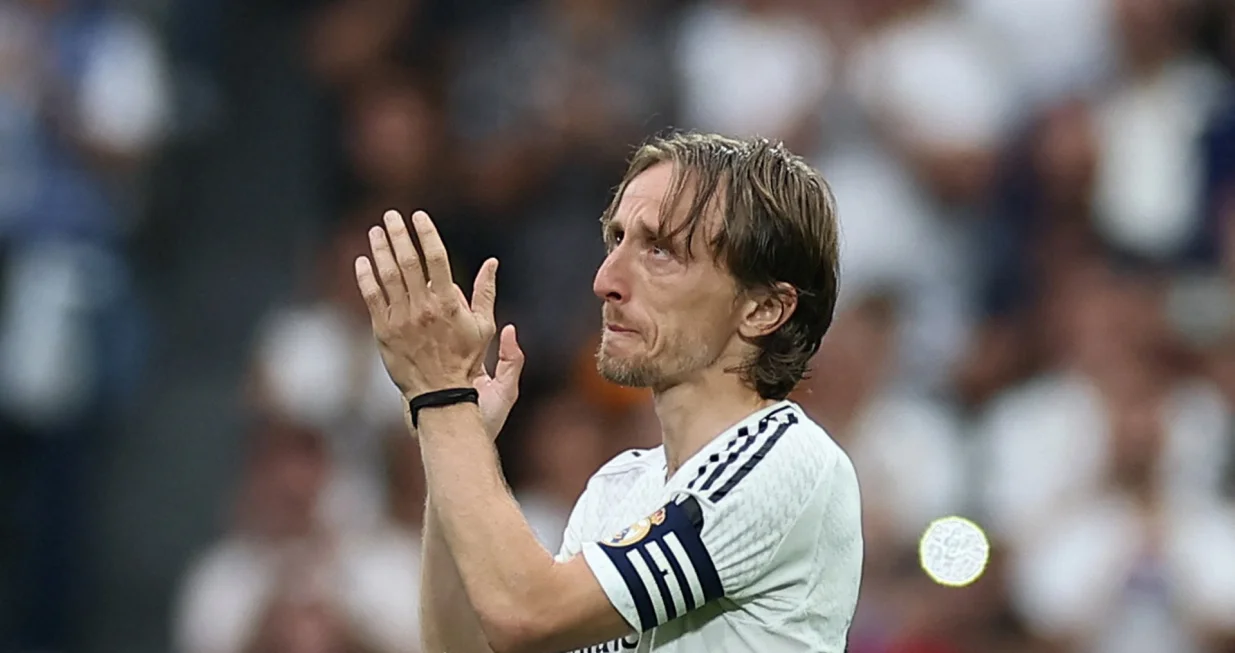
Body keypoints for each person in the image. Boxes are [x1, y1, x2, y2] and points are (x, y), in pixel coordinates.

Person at [353, 132, 863, 652]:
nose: (605, 280)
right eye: (616, 240)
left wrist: (443, 399)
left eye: (661, 250)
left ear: (763, 310)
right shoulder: (616, 489)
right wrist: (456, 434)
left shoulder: (785, 462)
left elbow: (527, 613)